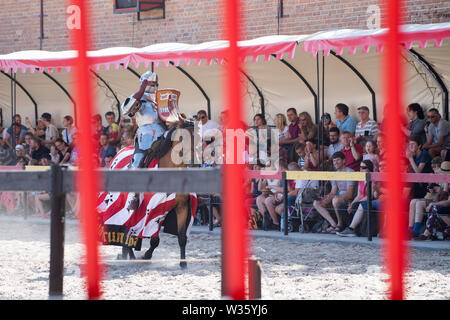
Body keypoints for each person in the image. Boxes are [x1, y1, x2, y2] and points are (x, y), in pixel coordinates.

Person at [313, 151, 356, 233]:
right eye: (334, 160)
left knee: (335, 200)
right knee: (316, 203)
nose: (335, 162)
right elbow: (334, 191)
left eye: (338, 160)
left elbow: (350, 194)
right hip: (338, 197)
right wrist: (327, 197)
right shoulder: (335, 174)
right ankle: (333, 224)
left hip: (350, 199)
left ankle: (340, 225)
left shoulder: (350, 172)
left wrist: (334, 197)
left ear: (344, 161)